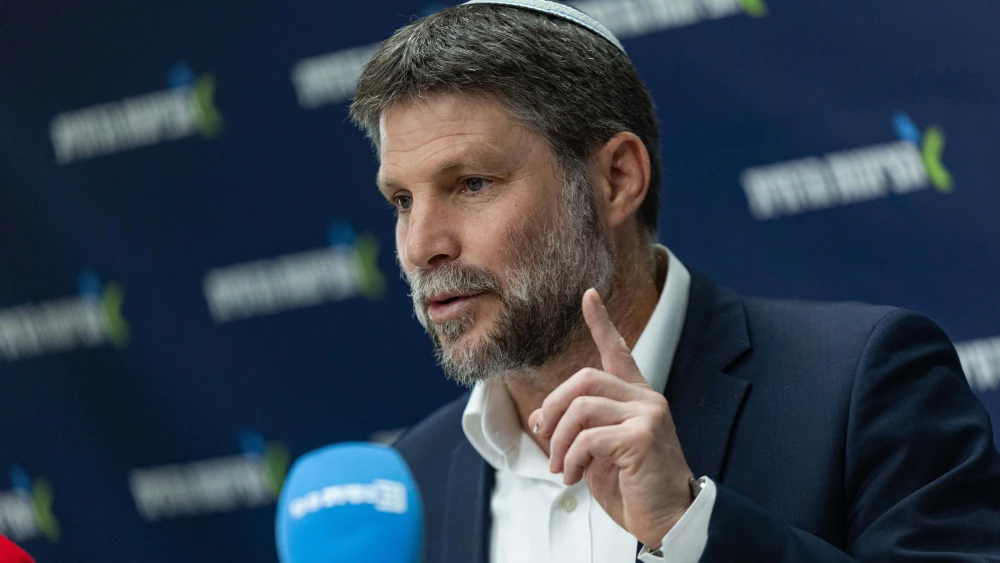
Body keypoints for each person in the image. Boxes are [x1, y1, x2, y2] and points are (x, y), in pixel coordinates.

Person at [348, 1, 1000, 561]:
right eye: (402, 200)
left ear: (616, 180)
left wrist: (690, 526)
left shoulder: (861, 385)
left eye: (471, 184)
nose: (422, 246)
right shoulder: (409, 484)